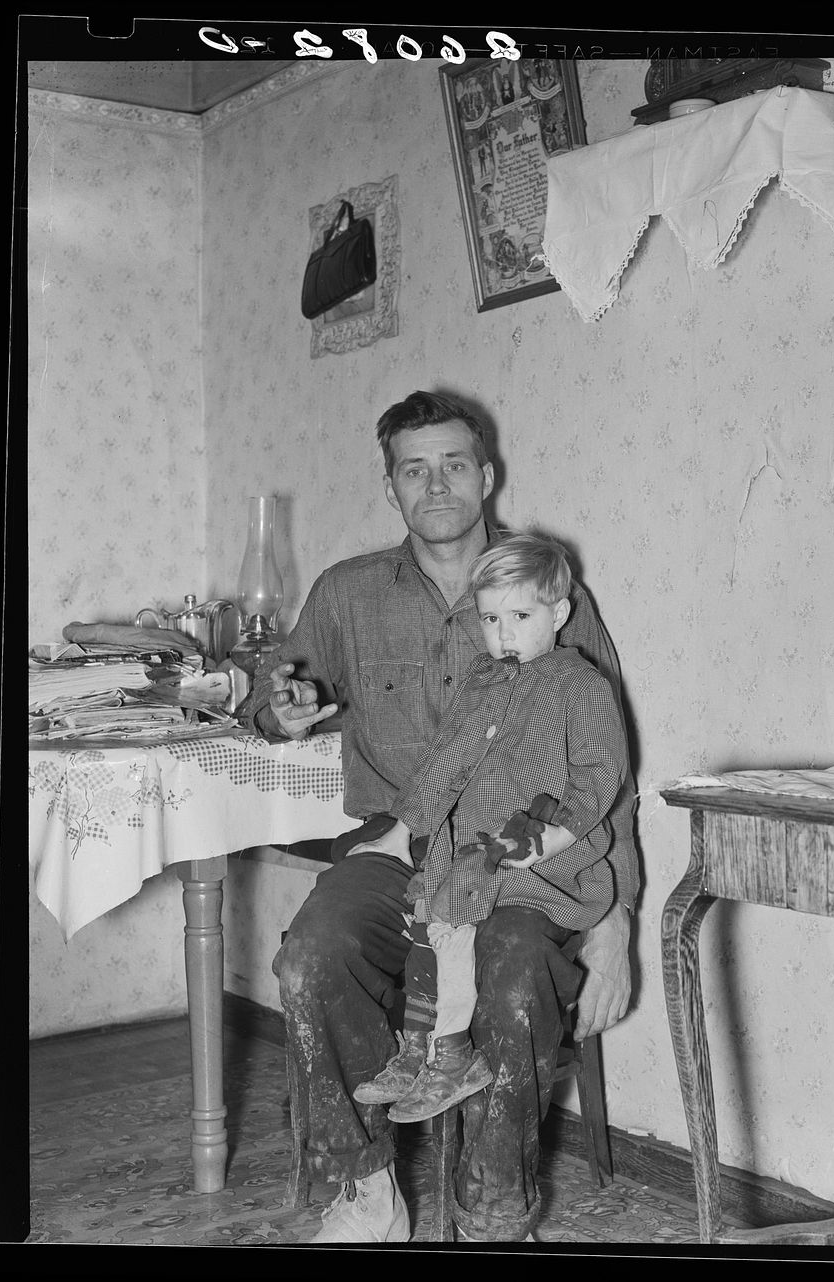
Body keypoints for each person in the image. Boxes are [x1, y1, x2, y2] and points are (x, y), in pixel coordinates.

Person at [244, 390, 638, 1243]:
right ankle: (365, 1193)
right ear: (391, 488)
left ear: (485, 474)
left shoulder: (550, 591)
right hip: (398, 850)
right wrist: (287, 706)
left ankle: (493, 1210)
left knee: (513, 977)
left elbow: (613, 774)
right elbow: (270, 697)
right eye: (414, 469)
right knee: (312, 958)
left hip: (524, 869)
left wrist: (617, 922)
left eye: (453, 464)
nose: (436, 483)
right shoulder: (347, 594)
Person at [350, 533, 628, 1127]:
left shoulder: (585, 687)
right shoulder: (483, 679)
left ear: (560, 613)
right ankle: (421, 1047)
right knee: (425, 924)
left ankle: (449, 1055)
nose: (504, 634)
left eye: (521, 616)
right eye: (491, 618)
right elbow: (446, 758)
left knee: (453, 930)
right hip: (472, 854)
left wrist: (552, 837)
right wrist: (403, 829)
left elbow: (601, 777)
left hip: (551, 868)